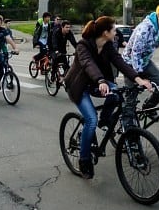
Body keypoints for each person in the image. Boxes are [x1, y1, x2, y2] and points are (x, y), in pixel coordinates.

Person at [64, 16, 152, 179]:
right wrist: (101, 80)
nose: (116, 33)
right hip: (78, 86)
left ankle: (105, 119)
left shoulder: (109, 46)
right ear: (105, 32)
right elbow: (87, 63)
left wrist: (138, 79)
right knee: (91, 120)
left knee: (117, 94)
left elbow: (120, 63)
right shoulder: (84, 45)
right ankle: (84, 161)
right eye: (114, 30)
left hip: (98, 82)